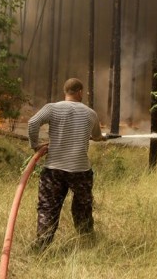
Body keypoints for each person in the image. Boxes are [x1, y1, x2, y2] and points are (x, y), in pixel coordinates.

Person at [28, 78, 106, 251]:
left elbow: (32, 123)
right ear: (79, 92)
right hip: (81, 171)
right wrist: (101, 138)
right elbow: (97, 136)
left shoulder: (52, 108)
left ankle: (42, 246)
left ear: (65, 92)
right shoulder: (90, 113)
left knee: (48, 207)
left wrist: (35, 145)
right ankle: (87, 242)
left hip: (54, 170)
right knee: (82, 207)